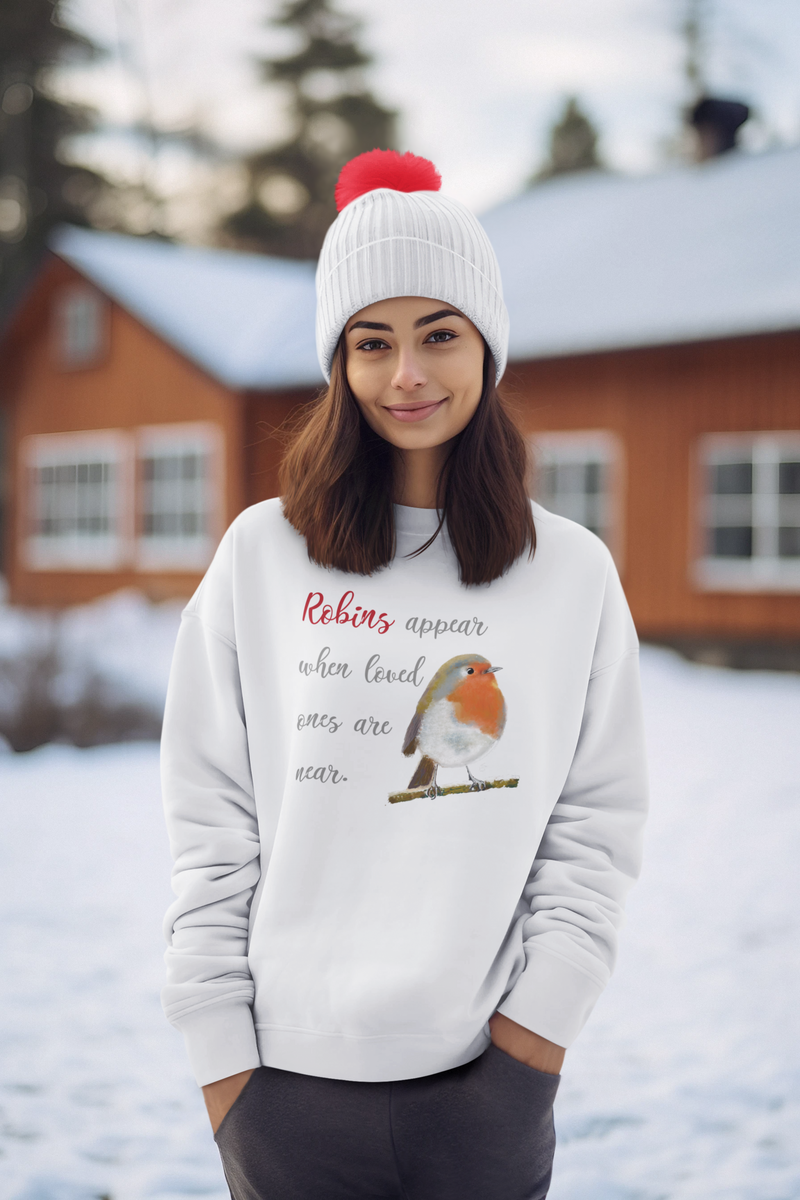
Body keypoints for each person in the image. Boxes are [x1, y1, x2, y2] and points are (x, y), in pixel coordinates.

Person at [160, 149, 649, 1200]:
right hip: (280, 1093)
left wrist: (531, 1047)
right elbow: (209, 816)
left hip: (484, 1092)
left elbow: (594, 825)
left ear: (487, 347)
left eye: (439, 335)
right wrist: (223, 1066)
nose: (407, 375)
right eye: (372, 342)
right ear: (337, 362)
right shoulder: (262, 554)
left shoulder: (565, 574)